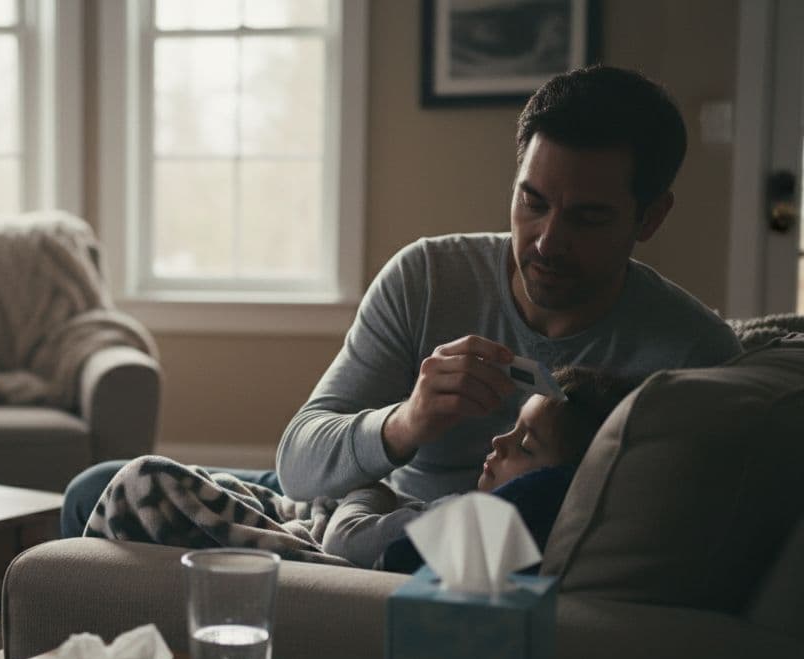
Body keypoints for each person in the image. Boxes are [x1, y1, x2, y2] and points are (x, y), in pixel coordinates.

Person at [60, 64, 741, 538]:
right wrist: (405, 423)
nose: (545, 242)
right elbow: (299, 465)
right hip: (364, 498)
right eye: (532, 202)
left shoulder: (691, 356)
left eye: (587, 218)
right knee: (97, 488)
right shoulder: (430, 275)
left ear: (650, 218)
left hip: (433, 546)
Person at [325, 366, 640, 570]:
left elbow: (345, 540)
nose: (499, 441)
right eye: (513, 427)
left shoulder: (483, 521)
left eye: (525, 446)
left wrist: (368, 488)